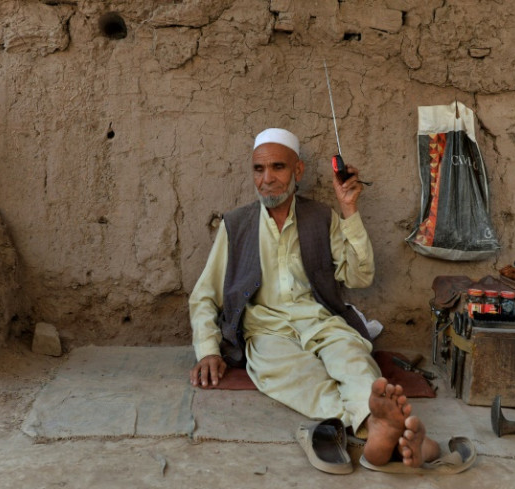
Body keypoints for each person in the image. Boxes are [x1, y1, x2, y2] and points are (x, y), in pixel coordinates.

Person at [188, 128, 440, 468]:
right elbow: (205, 295)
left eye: (277, 167)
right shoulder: (236, 225)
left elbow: (359, 276)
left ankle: (381, 430)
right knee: (298, 377)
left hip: (321, 320)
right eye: (258, 169)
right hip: (268, 331)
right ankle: (377, 428)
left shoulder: (321, 218)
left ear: (298, 172)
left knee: (352, 359)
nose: (267, 179)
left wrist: (349, 210)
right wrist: (207, 349)